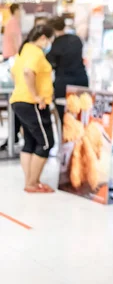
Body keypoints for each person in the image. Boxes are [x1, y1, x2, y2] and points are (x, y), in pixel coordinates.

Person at [10, 24, 56, 193]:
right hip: (32, 103)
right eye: (50, 40)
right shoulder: (35, 52)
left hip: (19, 100)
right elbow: (28, 72)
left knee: (30, 141)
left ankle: (30, 182)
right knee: (46, 142)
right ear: (43, 38)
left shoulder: (23, 50)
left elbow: (14, 73)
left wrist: (23, 89)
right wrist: (36, 96)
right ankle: (32, 183)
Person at [46, 17, 89, 121]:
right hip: (81, 80)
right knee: (81, 114)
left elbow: (49, 65)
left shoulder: (54, 45)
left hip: (64, 85)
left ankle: (66, 136)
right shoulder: (76, 39)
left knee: (64, 117)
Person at [2, 3, 23, 150]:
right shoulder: (14, 23)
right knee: (15, 99)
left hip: (9, 61)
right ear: (16, 10)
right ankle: (14, 135)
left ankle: (14, 135)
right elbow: (16, 44)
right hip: (13, 62)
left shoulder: (9, 22)